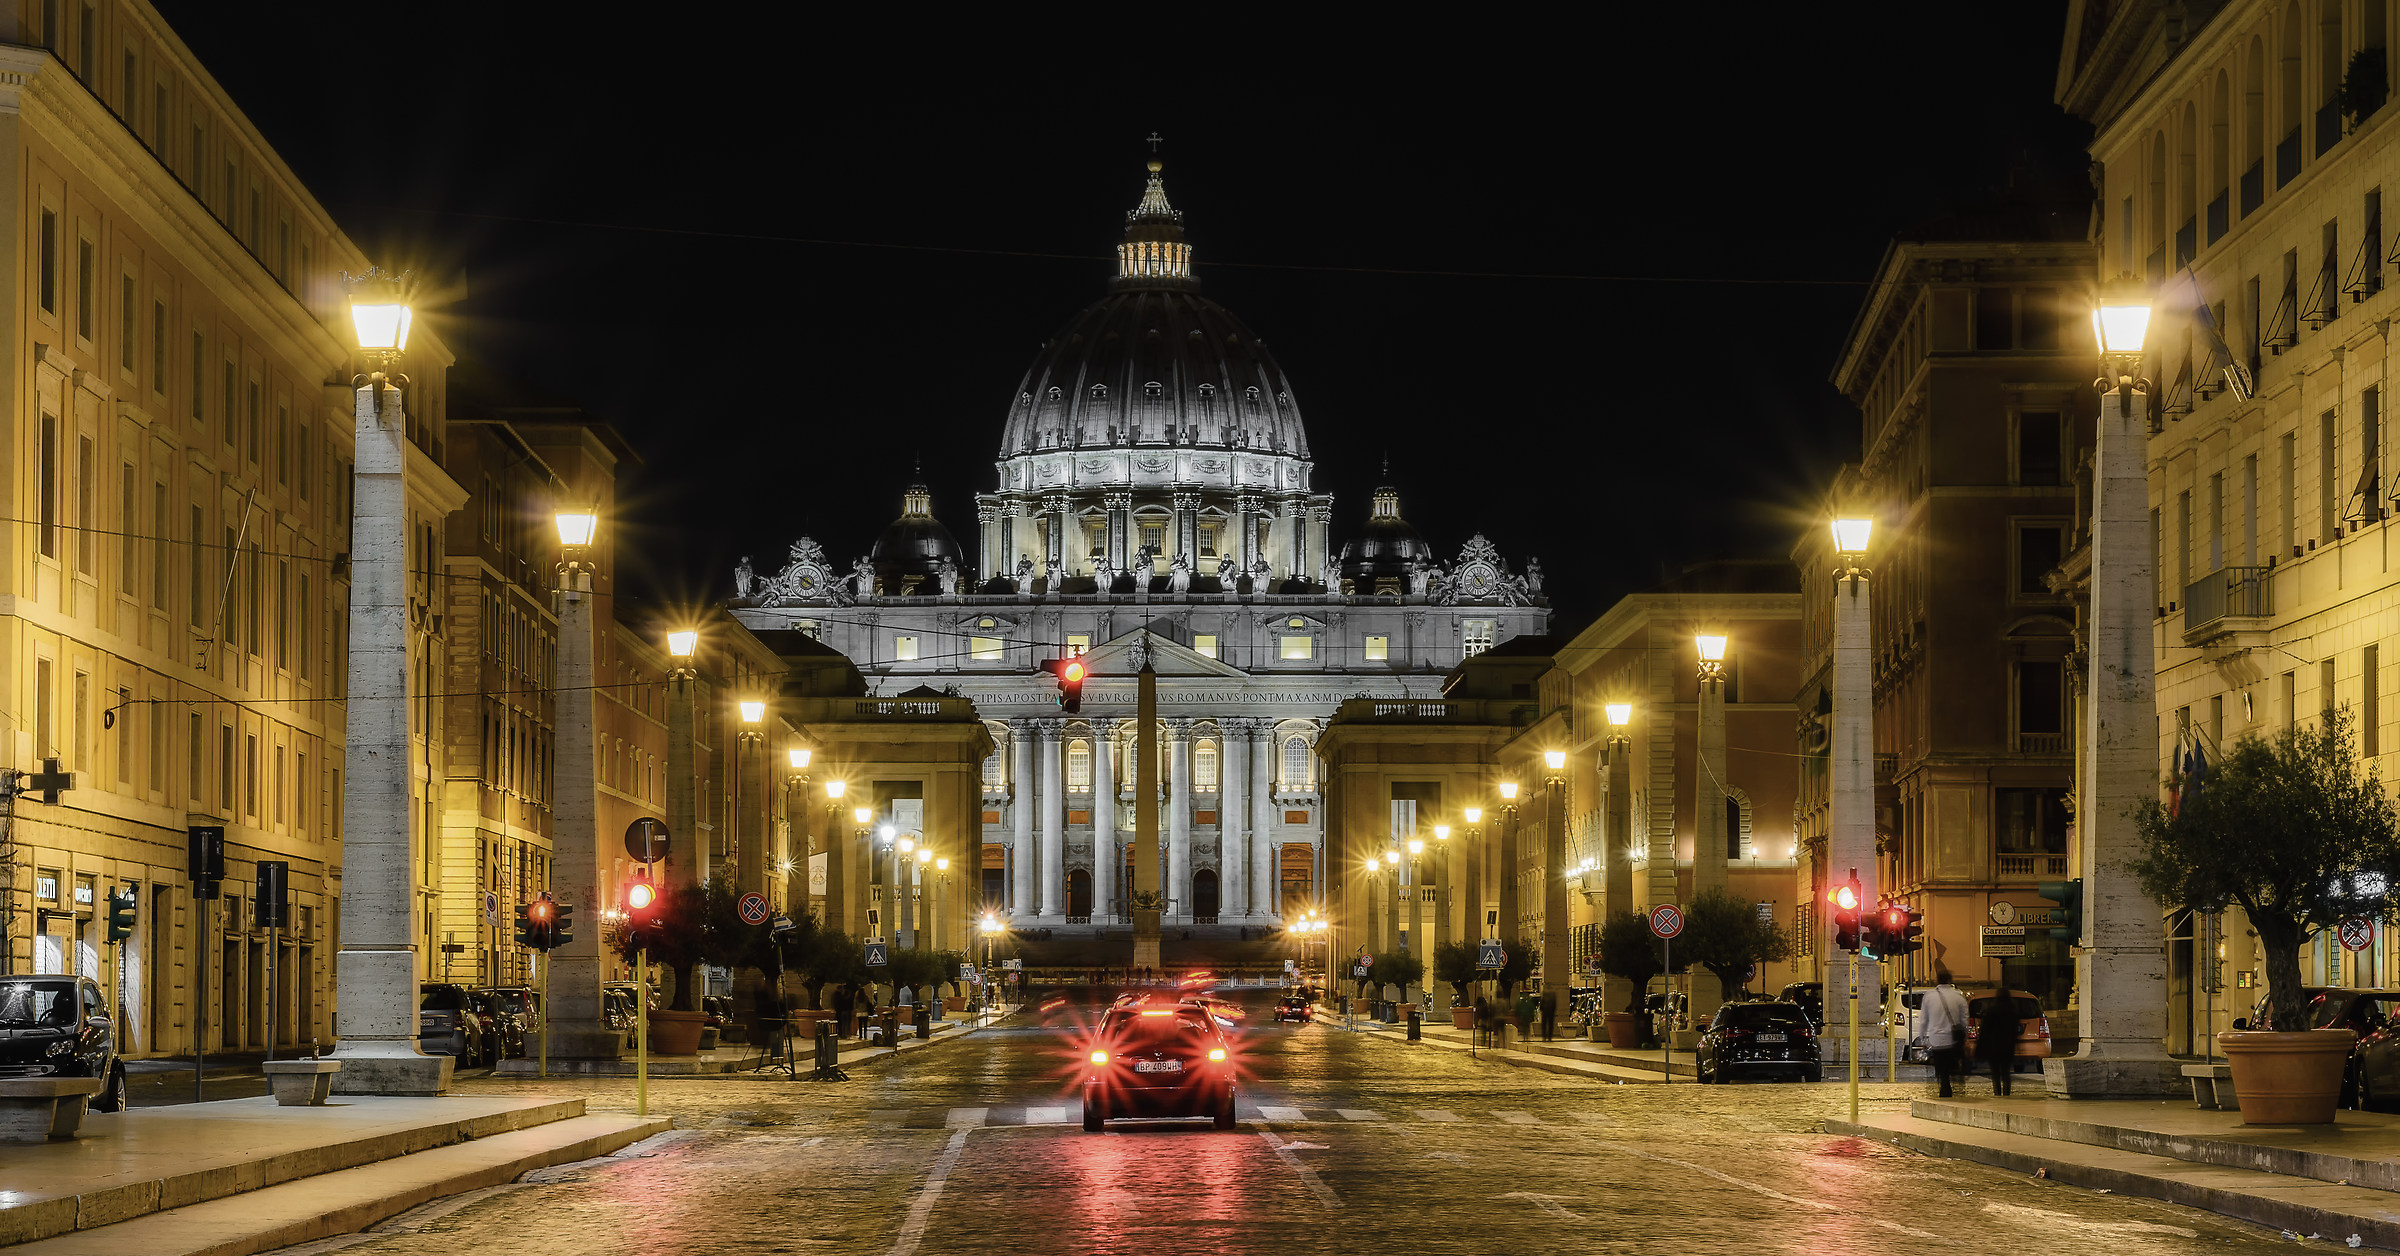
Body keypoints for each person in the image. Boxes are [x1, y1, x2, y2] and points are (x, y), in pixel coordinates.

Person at [1921, 968, 1970, 1098]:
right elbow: (1964, 1019)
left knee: (1941, 1070)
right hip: (1953, 1040)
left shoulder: (1929, 996)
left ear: (1937, 980)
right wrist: (1964, 1036)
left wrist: (1923, 1038)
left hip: (1936, 1040)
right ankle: (1954, 1088)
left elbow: (1924, 1020)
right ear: (1950, 980)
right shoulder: (1958, 997)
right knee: (1952, 1067)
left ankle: (1944, 1087)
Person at [1979, 985, 2026, 1097]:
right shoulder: (2012, 1011)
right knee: (2006, 1072)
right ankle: (2006, 1093)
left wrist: (1982, 1044)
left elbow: (1985, 1029)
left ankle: (1997, 1092)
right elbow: (2016, 1029)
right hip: (2008, 1045)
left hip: (1994, 1045)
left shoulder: (1992, 1010)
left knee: (1995, 1073)